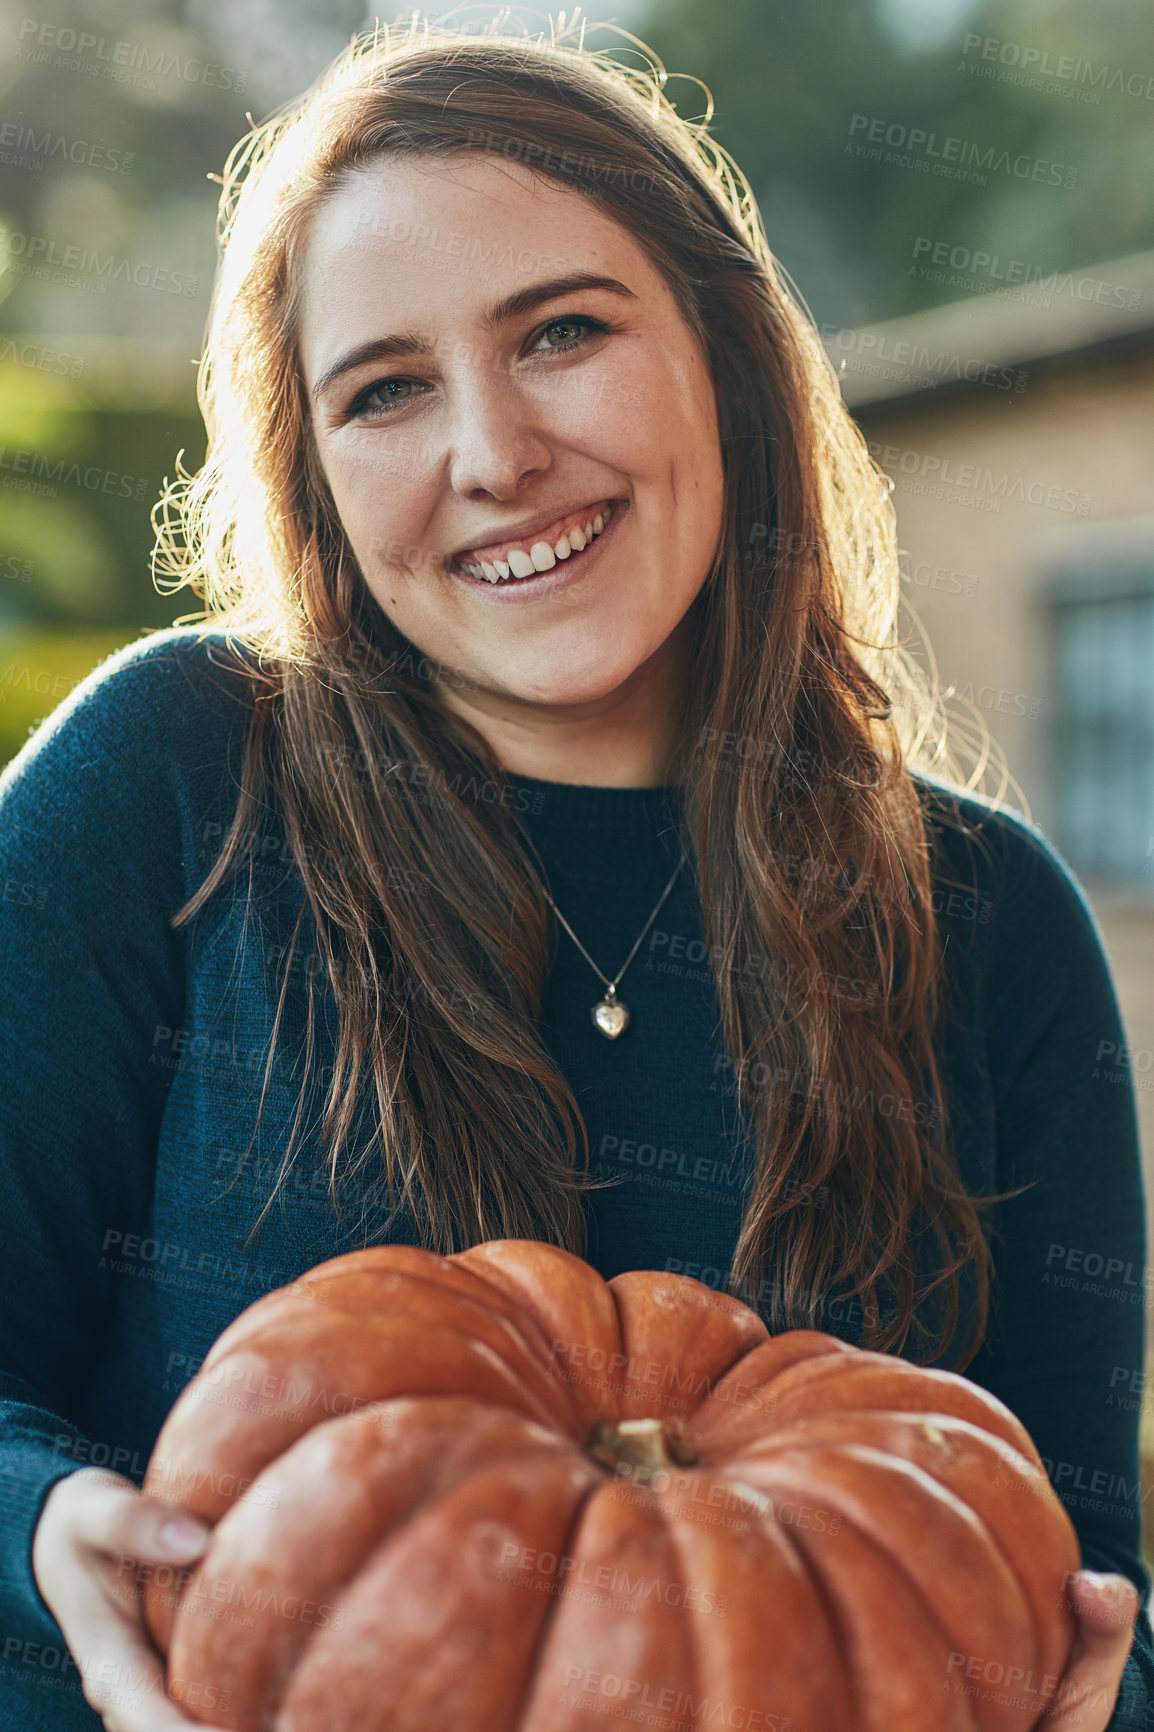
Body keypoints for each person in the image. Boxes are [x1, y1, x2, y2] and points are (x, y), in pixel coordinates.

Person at [1, 15, 1150, 1731]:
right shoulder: (173, 782)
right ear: (313, 469)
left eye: (561, 333)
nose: (491, 454)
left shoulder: (984, 920)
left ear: (723, 352)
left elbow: (1082, 1581)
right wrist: (43, 1534)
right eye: (383, 388)